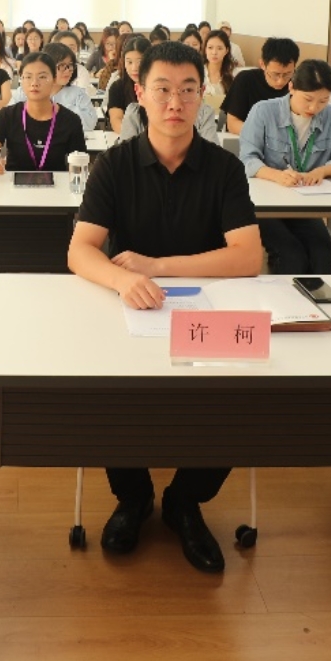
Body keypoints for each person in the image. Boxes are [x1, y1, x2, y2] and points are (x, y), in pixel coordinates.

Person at [68, 40, 263, 574]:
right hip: (130, 307)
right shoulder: (115, 165)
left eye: (188, 90)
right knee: (106, 388)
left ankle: (184, 502)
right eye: (162, 90)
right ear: (140, 93)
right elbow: (80, 250)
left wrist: (157, 266)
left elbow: (248, 257)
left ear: (203, 96)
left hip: (208, 312)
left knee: (239, 394)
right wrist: (122, 279)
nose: (175, 102)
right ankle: (133, 498)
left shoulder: (224, 168)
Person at [239, 59, 331, 274]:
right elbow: (247, 160)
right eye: (308, 99)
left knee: (323, 252)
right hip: (266, 206)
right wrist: (276, 175)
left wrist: (323, 170)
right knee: (291, 254)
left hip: (305, 205)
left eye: (323, 101)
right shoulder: (264, 111)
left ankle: (318, 296)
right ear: (291, 87)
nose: (314, 108)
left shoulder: (330, 115)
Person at [0, 51, 88, 174]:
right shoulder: (7, 115)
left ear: (54, 80)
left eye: (42, 77)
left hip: (56, 185)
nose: (34, 83)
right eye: (28, 77)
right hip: (13, 184)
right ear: (21, 80)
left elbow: (81, 167)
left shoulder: (70, 120)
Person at [222, 37, 298, 133]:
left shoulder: (299, 84)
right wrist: (266, 135)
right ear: (262, 64)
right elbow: (232, 124)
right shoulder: (245, 80)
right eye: (275, 74)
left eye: (287, 74)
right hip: (250, 138)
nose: (280, 81)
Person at [30, 41, 98, 132]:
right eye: (61, 66)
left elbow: (90, 124)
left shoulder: (78, 94)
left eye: (70, 65)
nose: (68, 70)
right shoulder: (28, 91)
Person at [104, 35, 149, 134]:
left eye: (140, 62)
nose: (134, 68)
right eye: (129, 62)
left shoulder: (160, 86)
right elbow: (116, 120)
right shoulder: (118, 87)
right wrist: (134, 137)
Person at [202, 30, 237, 123]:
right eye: (210, 48)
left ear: (226, 50)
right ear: (205, 49)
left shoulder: (233, 74)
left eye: (219, 48)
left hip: (224, 122)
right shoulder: (198, 72)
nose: (214, 52)